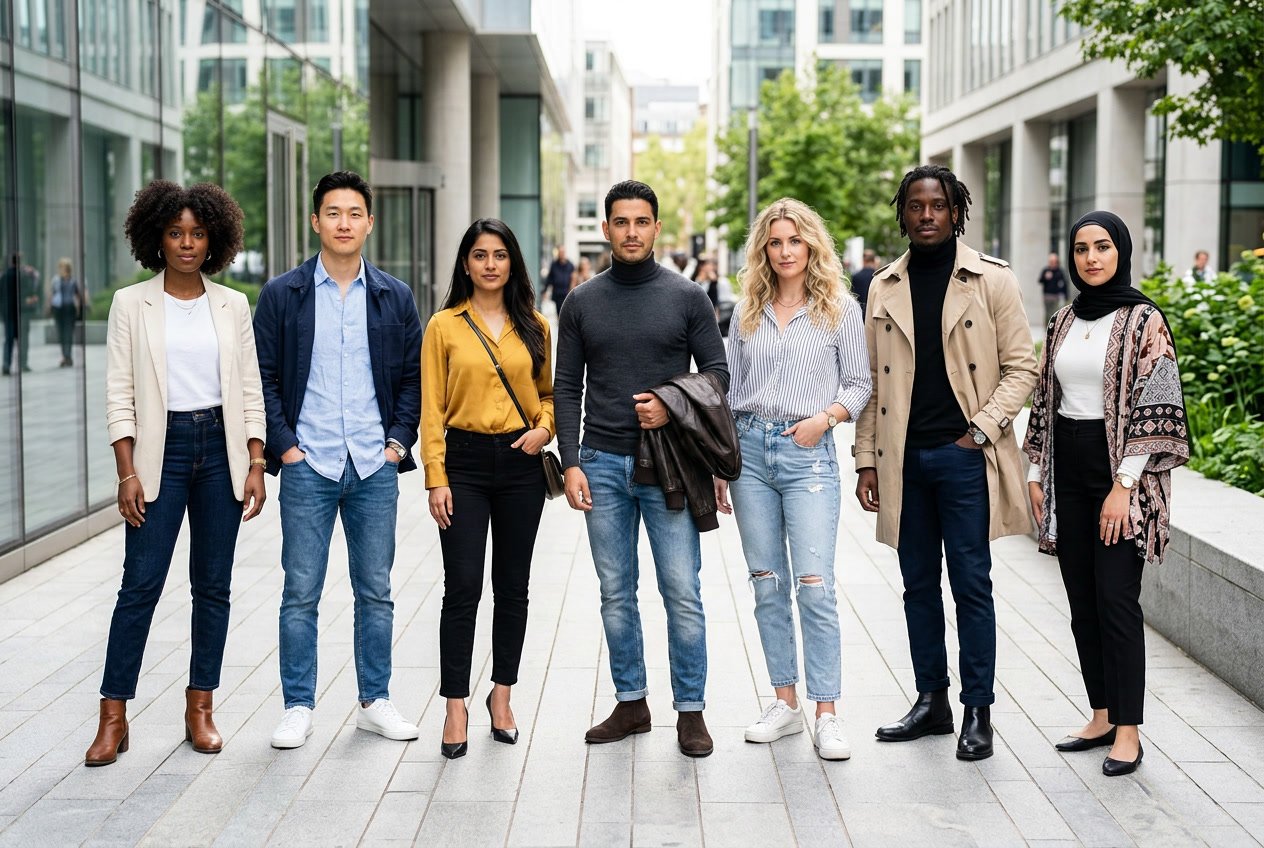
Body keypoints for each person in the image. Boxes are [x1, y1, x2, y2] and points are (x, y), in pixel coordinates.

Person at [854, 164, 1038, 761]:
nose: (927, 214)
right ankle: (931, 700)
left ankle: (977, 710)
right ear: (902, 213)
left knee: (971, 585)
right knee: (915, 586)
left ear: (956, 211)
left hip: (966, 460)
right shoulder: (883, 287)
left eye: (938, 205)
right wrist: (867, 461)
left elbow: (1022, 367)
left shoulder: (991, 281)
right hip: (903, 461)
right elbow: (872, 385)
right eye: (915, 205)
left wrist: (978, 433)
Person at [87, 180, 266, 767]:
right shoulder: (130, 304)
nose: (186, 243)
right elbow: (119, 392)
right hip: (158, 453)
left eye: (196, 233)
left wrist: (256, 462)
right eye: (175, 233)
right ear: (156, 238)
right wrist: (126, 470)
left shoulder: (233, 305)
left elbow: (249, 390)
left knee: (212, 586)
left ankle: (201, 707)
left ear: (213, 239)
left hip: (220, 450)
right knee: (139, 586)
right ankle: (113, 716)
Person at [555, 180, 729, 757]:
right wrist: (572, 463)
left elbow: (719, 375)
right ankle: (631, 702)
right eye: (621, 222)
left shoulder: (687, 297)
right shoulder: (580, 301)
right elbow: (565, 388)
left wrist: (669, 400)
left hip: (670, 467)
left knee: (682, 590)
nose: (632, 231)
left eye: (642, 221)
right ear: (606, 229)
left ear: (656, 228)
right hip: (601, 463)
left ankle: (691, 711)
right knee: (615, 591)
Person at [253, 171, 423, 749]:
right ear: (315, 221)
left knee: (374, 588)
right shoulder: (284, 294)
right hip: (310, 465)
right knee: (301, 589)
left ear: (369, 223)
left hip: (374, 466)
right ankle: (298, 705)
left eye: (355, 213)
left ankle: (374, 700)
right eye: (333, 212)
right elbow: (264, 380)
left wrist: (398, 444)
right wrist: (287, 449)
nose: (344, 223)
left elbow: (410, 381)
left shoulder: (394, 295)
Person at [1024, 211, 1189, 777]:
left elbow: (1154, 400)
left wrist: (1125, 485)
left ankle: (1128, 732)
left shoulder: (1144, 320)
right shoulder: (1064, 319)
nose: (1091, 258)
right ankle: (1099, 713)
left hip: (1118, 469)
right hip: (1067, 465)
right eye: (1080, 249)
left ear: (1121, 250)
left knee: (1117, 599)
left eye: (1101, 247)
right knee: (1081, 599)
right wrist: (1037, 470)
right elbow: (1047, 396)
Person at [714, 198, 871, 760]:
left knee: (814, 584)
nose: (784, 252)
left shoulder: (840, 310)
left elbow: (858, 383)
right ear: (764, 249)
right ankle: (785, 701)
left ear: (811, 248)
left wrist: (824, 420)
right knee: (766, 583)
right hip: (750, 456)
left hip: (809, 456)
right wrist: (722, 464)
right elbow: (730, 395)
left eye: (794, 242)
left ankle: (827, 711)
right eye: (775, 242)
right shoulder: (745, 313)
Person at [421, 219, 554, 759]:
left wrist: (544, 429)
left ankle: (502, 696)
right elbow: (432, 407)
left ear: (512, 263)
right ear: (466, 263)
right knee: (463, 585)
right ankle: (456, 704)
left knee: (513, 587)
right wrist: (436, 477)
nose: (491, 264)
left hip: (522, 464)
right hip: (465, 463)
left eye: (500, 254)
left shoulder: (536, 325)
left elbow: (548, 395)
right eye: (480, 255)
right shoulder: (444, 326)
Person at [1, 252, 40, 374]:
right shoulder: (24, 276)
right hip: (22, 312)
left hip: (8, 313)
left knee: (8, 339)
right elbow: (30, 292)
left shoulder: (4, 276)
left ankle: (6, 364)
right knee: (23, 339)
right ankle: (23, 364)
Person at [50, 257, 82, 367]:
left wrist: (78, 309)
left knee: (68, 333)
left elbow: (77, 295)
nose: (62, 269)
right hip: (58, 309)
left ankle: (68, 356)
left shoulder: (73, 280)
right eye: (61, 267)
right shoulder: (56, 280)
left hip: (69, 309)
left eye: (63, 267)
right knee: (61, 333)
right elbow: (52, 294)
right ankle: (65, 355)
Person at [542, 245, 575, 312]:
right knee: (559, 312)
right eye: (560, 252)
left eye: (563, 252)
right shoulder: (554, 264)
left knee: (567, 312)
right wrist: (545, 290)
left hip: (567, 293)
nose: (561, 254)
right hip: (557, 294)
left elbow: (574, 278)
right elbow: (549, 278)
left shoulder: (570, 265)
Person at [1038, 252, 1068, 323]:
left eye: (1054, 261)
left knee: (1055, 314)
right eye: (1051, 261)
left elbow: (1064, 284)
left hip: (1056, 297)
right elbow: (1040, 280)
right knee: (1047, 314)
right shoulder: (1046, 270)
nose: (1052, 263)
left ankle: (1054, 330)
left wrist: (1065, 295)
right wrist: (1045, 277)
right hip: (1047, 296)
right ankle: (1047, 329)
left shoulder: (1059, 271)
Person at [850, 249, 879, 316]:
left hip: (859, 313)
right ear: (874, 260)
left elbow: (853, 296)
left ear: (863, 260)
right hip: (874, 313)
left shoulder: (856, 276)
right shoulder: (878, 276)